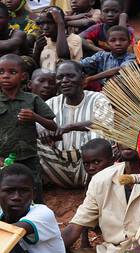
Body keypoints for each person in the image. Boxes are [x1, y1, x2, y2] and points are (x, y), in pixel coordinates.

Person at [36, 59, 112, 191]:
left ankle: (95, 186)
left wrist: (69, 127)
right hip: (59, 164)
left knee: (98, 134)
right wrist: (42, 129)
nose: (64, 80)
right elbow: (37, 122)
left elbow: (102, 123)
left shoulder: (98, 99)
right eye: (60, 77)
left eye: (70, 76)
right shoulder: (50, 103)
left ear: (83, 79)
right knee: (30, 139)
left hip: (88, 166)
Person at [0, 54, 57, 199]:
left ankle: (36, 217)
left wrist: (35, 117)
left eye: (12, 72)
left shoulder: (32, 99)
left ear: (23, 76)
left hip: (29, 158)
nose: (6, 76)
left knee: (34, 190)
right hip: (3, 158)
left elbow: (53, 126)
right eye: (1, 72)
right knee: (6, 192)